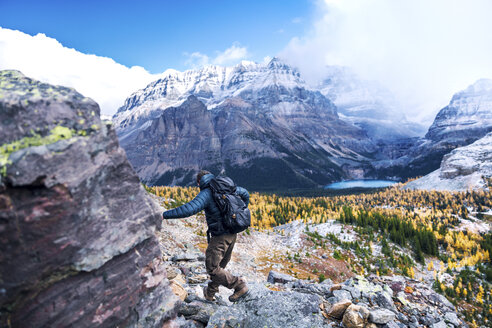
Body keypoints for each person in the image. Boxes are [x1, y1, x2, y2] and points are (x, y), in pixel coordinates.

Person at [162, 170, 250, 302]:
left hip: (220, 236)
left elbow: (189, 209)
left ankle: (239, 285)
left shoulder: (207, 193)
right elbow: (245, 193)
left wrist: (164, 215)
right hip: (233, 232)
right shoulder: (227, 188)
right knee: (220, 266)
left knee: (213, 268)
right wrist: (241, 210)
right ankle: (210, 293)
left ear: (199, 182)